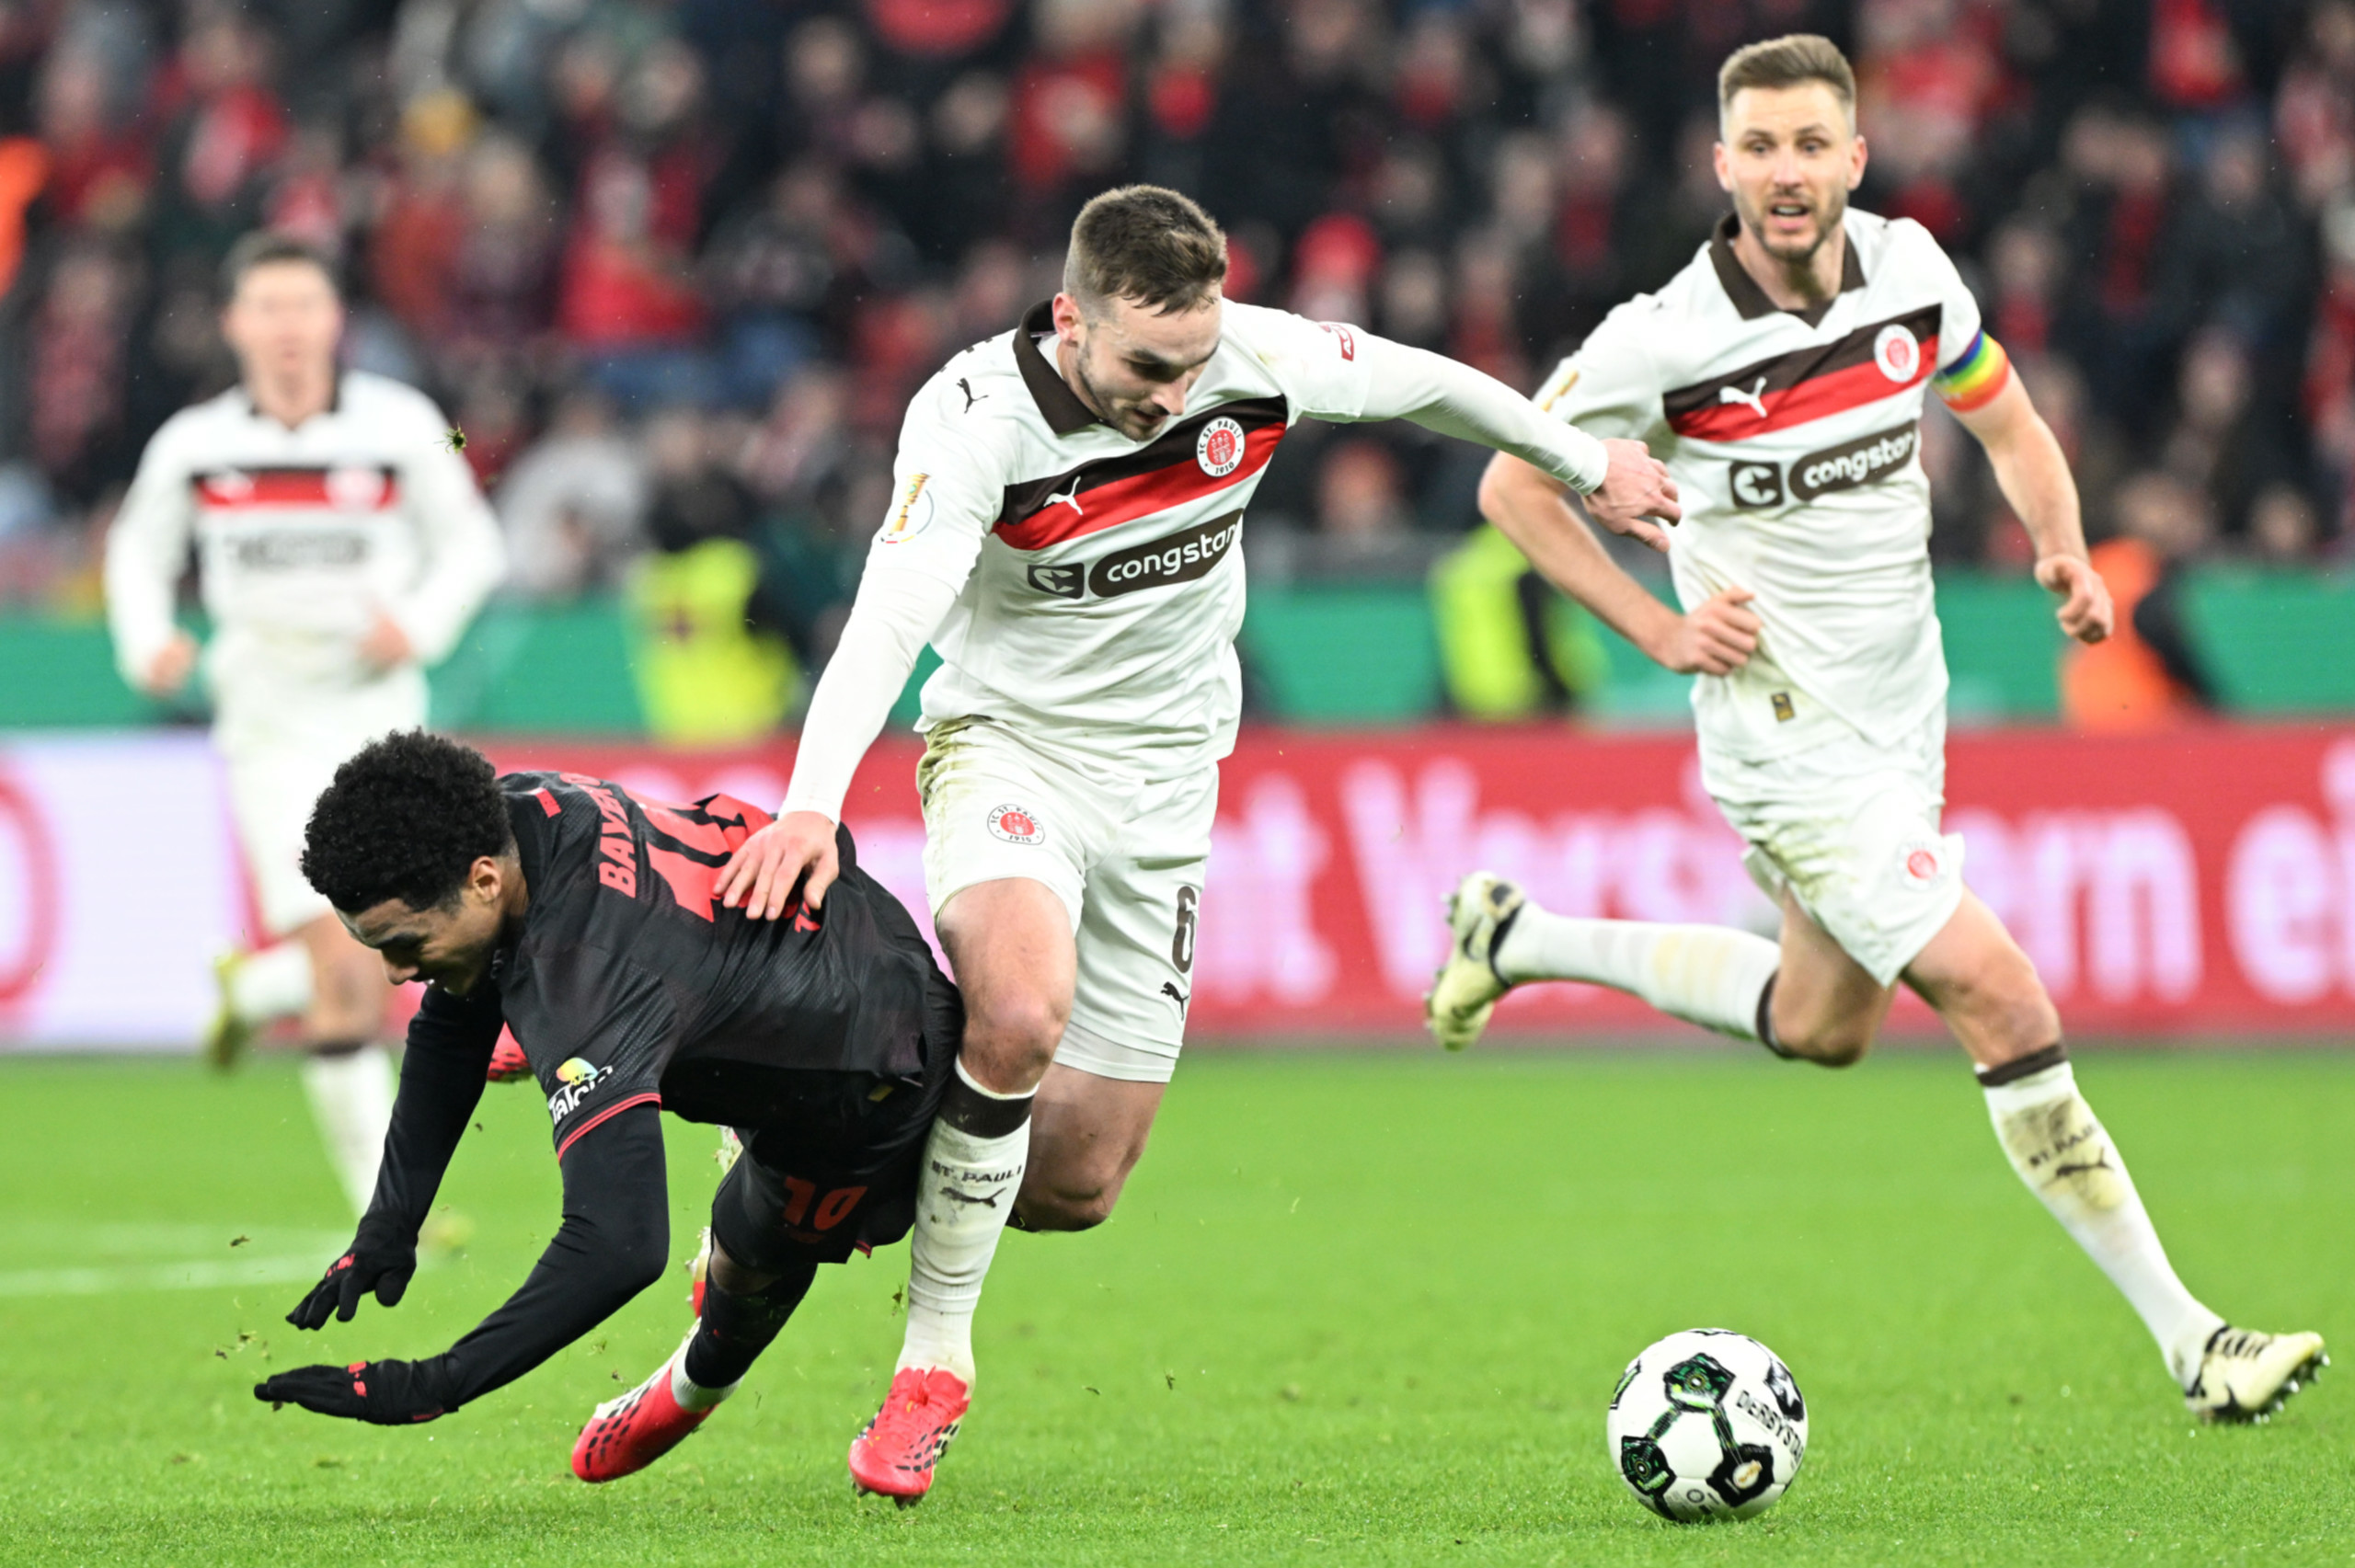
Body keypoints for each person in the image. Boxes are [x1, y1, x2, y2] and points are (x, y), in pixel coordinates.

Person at [708, 183, 1683, 1498]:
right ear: (1070, 319)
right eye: (1144, 365)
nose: (1174, 394)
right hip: (1013, 751)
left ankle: (802, 1143)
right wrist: (814, 803)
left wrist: (1586, 462)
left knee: (1076, 1179)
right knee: (1017, 1007)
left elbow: (1431, 386)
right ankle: (937, 1359)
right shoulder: (974, 420)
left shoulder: (1251, 358)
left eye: (1192, 360)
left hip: (1167, 791)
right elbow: (887, 619)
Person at [1427, 36, 2324, 1424]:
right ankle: (2193, 1341)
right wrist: (1657, 631)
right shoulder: (1659, 339)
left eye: (1811, 146)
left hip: (1905, 711)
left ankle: (1517, 940)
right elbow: (1511, 491)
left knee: (1824, 1024)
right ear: (1723, 166)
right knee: (2004, 995)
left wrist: (2068, 553)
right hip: (1785, 738)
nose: (1787, 174)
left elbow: (2012, 425)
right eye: (1760, 148)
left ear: (1855, 156)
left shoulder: (1911, 273)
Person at [250, 731, 988, 1494]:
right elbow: (449, 1018)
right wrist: (388, 1225)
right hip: (824, 944)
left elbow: (620, 1244)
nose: (396, 972)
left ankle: (690, 1385)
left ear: (480, 881)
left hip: (866, 1083)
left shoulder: (585, 979)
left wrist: (435, 1382)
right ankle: (649, 1077)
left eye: (403, 943)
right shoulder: (518, 811)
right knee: (531, 1005)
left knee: (751, 1272)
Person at [103, 232, 506, 1218]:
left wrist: (416, 622)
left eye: (304, 307)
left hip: (379, 721)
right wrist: (146, 637)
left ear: (336, 321)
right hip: (270, 726)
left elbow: (473, 542)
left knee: (389, 946)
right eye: (267, 309)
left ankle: (253, 991)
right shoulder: (194, 445)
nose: (287, 329)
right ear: (235, 324)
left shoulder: (412, 426)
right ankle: (387, 1201)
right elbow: (134, 552)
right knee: (347, 955)